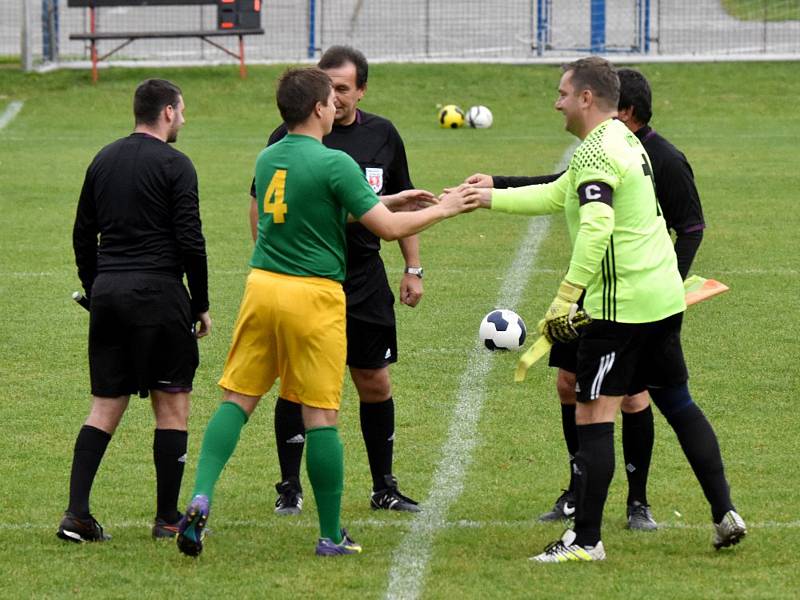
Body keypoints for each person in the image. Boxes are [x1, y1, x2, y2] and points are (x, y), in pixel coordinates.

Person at [445, 57, 745, 562]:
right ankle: (725, 513)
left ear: (586, 98)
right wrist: (488, 196)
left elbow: (597, 226)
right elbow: (556, 193)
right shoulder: (624, 141)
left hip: (619, 310)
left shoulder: (597, 151)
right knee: (678, 402)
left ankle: (585, 541)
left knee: (593, 412)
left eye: (562, 92)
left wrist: (566, 296)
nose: (557, 101)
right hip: (662, 301)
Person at [176, 67, 476, 558]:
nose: (337, 106)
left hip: (262, 287)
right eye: (329, 101)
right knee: (321, 415)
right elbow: (385, 229)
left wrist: (388, 198)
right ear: (319, 109)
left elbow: (320, 205)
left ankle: (201, 495)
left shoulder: (269, 156)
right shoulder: (335, 161)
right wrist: (446, 209)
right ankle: (332, 534)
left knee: (238, 399)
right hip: (312, 296)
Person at [252, 46, 426, 515]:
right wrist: (272, 259)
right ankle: (289, 486)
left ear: (361, 90)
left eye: (343, 89)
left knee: (373, 380)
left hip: (363, 279)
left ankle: (383, 486)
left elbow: (405, 204)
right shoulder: (290, 136)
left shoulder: (383, 136)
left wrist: (412, 269)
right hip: (306, 282)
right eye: (328, 89)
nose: (334, 98)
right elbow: (260, 203)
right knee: (295, 383)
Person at [59, 78, 211, 543]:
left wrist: (96, 288)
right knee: (172, 406)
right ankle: (167, 519)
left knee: (104, 405)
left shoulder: (103, 158)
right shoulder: (176, 164)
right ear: (167, 112)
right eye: (181, 111)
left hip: (109, 294)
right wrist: (200, 304)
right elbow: (191, 240)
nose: (183, 119)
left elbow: (83, 234)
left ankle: (77, 515)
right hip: (160, 296)